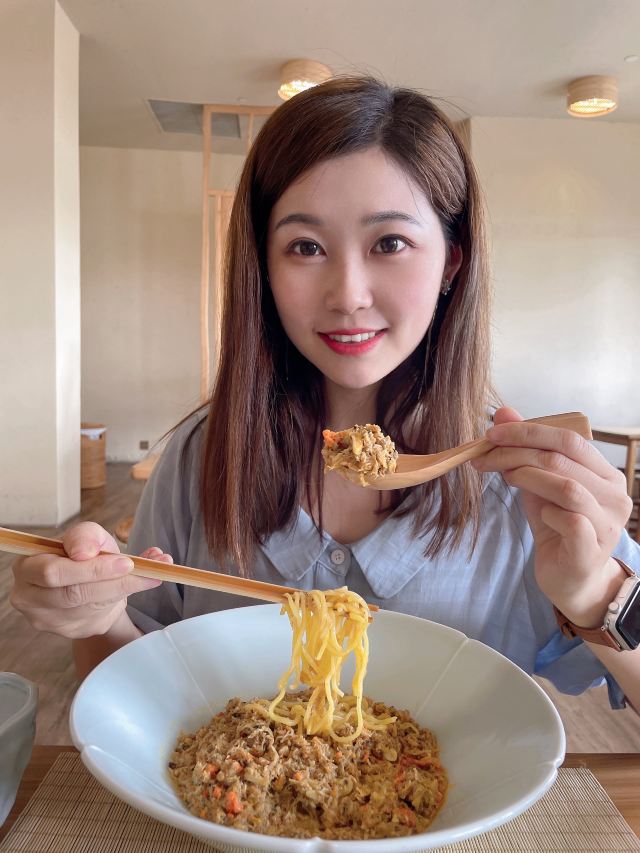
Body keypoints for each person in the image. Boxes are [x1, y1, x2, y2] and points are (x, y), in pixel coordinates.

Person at [11, 77, 640, 712]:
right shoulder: (204, 454)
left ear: (452, 260)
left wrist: (597, 595)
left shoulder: (525, 485)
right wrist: (93, 618)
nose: (348, 295)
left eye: (390, 243)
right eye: (306, 247)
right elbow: (132, 685)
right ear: (264, 266)